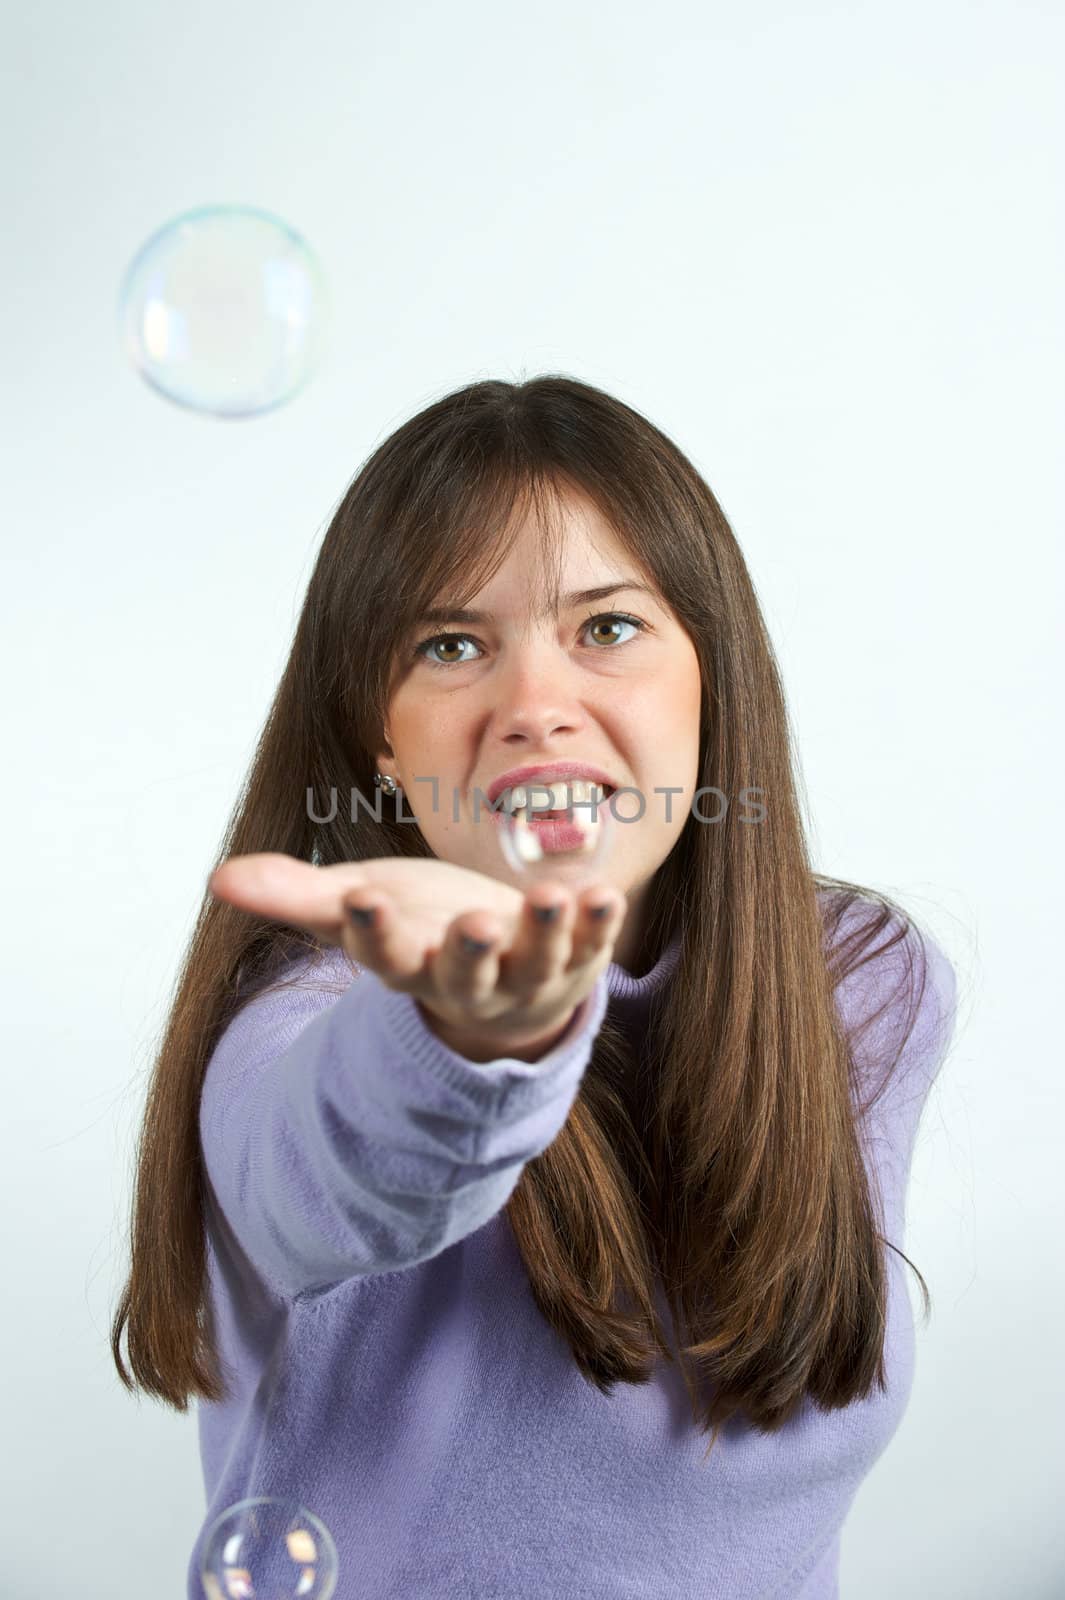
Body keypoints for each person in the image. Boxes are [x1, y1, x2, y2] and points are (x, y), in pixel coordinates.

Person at [111, 375, 959, 1598]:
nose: (535, 709)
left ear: (710, 673)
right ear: (380, 740)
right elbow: (321, 1164)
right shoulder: (296, 1018)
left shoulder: (861, 983)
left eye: (607, 627)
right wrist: (466, 1034)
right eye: (451, 646)